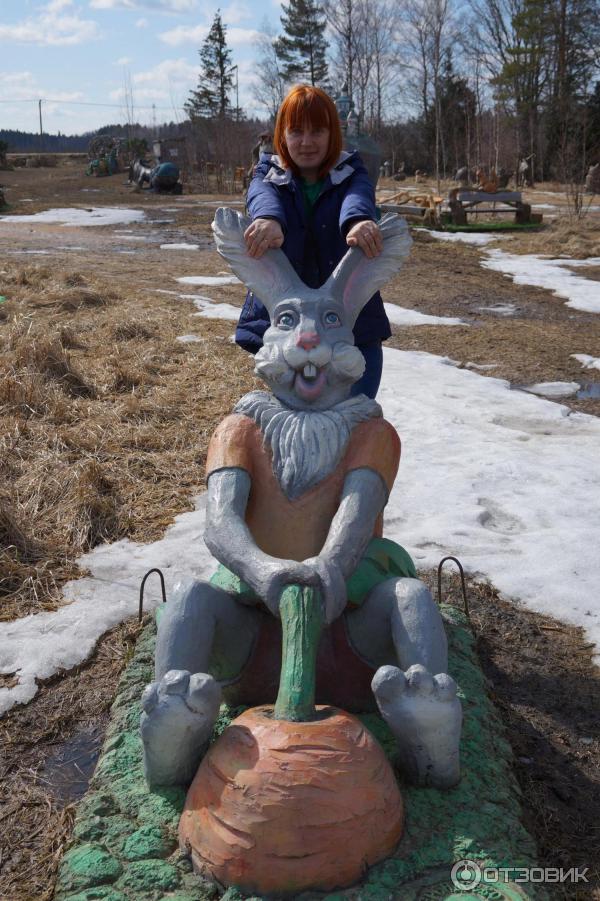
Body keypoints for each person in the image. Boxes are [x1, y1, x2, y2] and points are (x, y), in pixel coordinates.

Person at [235, 84, 390, 399]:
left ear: (333, 134)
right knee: (297, 422)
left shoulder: (351, 170)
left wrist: (359, 221)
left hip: (349, 326)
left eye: (317, 131)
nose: (306, 142)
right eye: (296, 132)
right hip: (291, 332)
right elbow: (261, 194)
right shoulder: (268, 171)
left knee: (354, 421)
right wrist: (268, 219)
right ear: (282, 135)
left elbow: (358, 195)